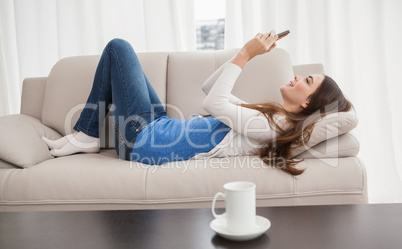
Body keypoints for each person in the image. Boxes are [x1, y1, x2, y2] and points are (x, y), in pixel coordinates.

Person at [42, 30, 352, 175]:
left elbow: (216, 104)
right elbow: (209, 89)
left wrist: (247, 53)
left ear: (307, 105)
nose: (297, 78)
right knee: (120, 54)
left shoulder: (274, 126)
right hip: (158, 127)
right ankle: (87, 134)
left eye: (306, 82)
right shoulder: (269, 116)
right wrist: (245, 55)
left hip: (141, 142)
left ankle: (88, 135)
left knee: (118, 47)